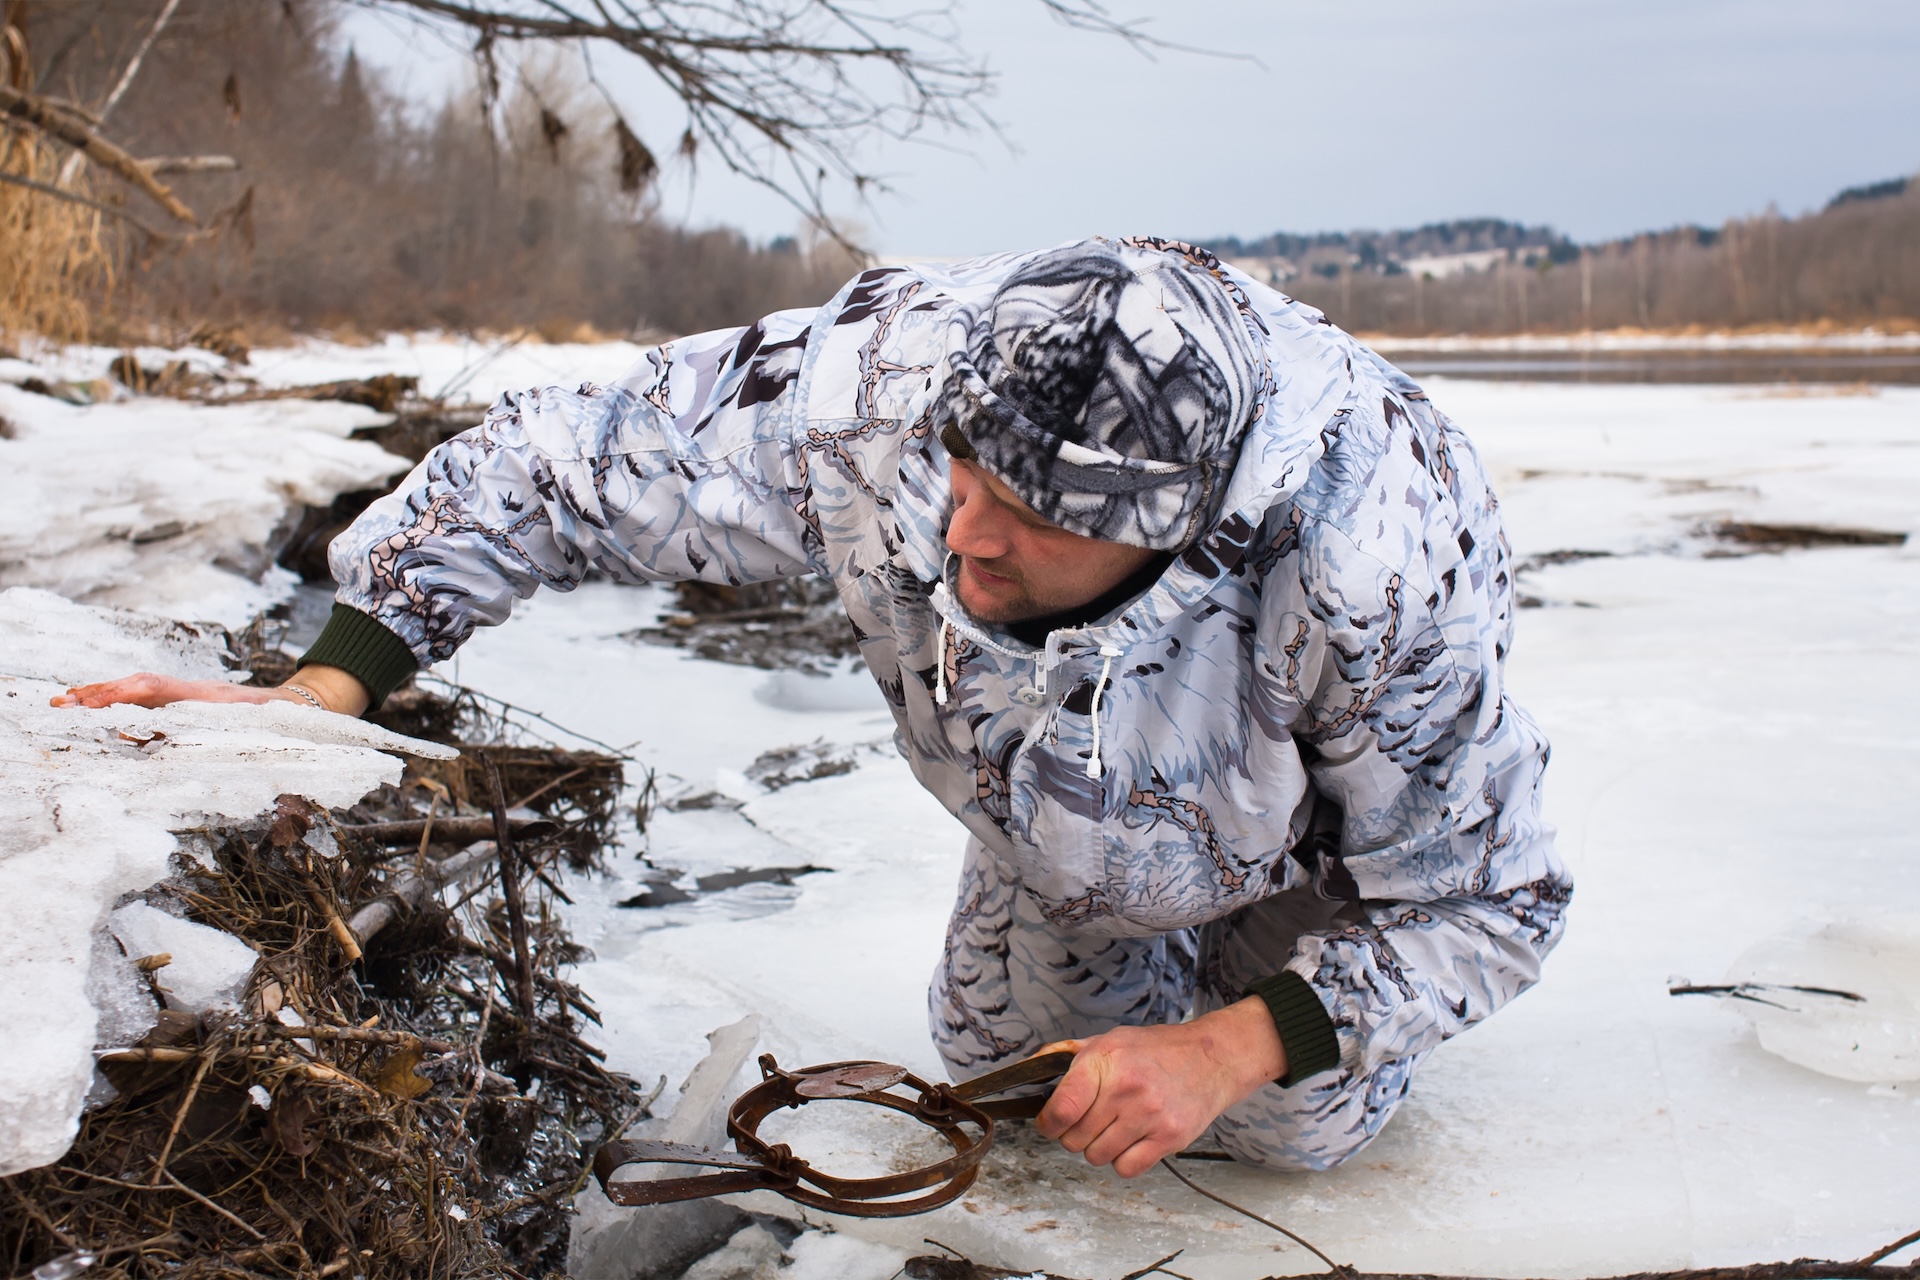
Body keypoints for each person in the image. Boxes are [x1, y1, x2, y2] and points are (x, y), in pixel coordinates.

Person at [59, 236, 1570, 1179]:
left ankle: (1261, 1002)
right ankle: (1095, 899)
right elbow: (562, 460)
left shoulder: (1374, 564)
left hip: (1295, 843)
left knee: (1284, 1132)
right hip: (1050, 810)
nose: (966, 537)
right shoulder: (884, 388)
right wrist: (323, 687)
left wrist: (1238, 1044)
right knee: (1018, 1079)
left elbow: (1497, 898)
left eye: (1035, 520)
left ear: (1163, 530)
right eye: (966, 475)